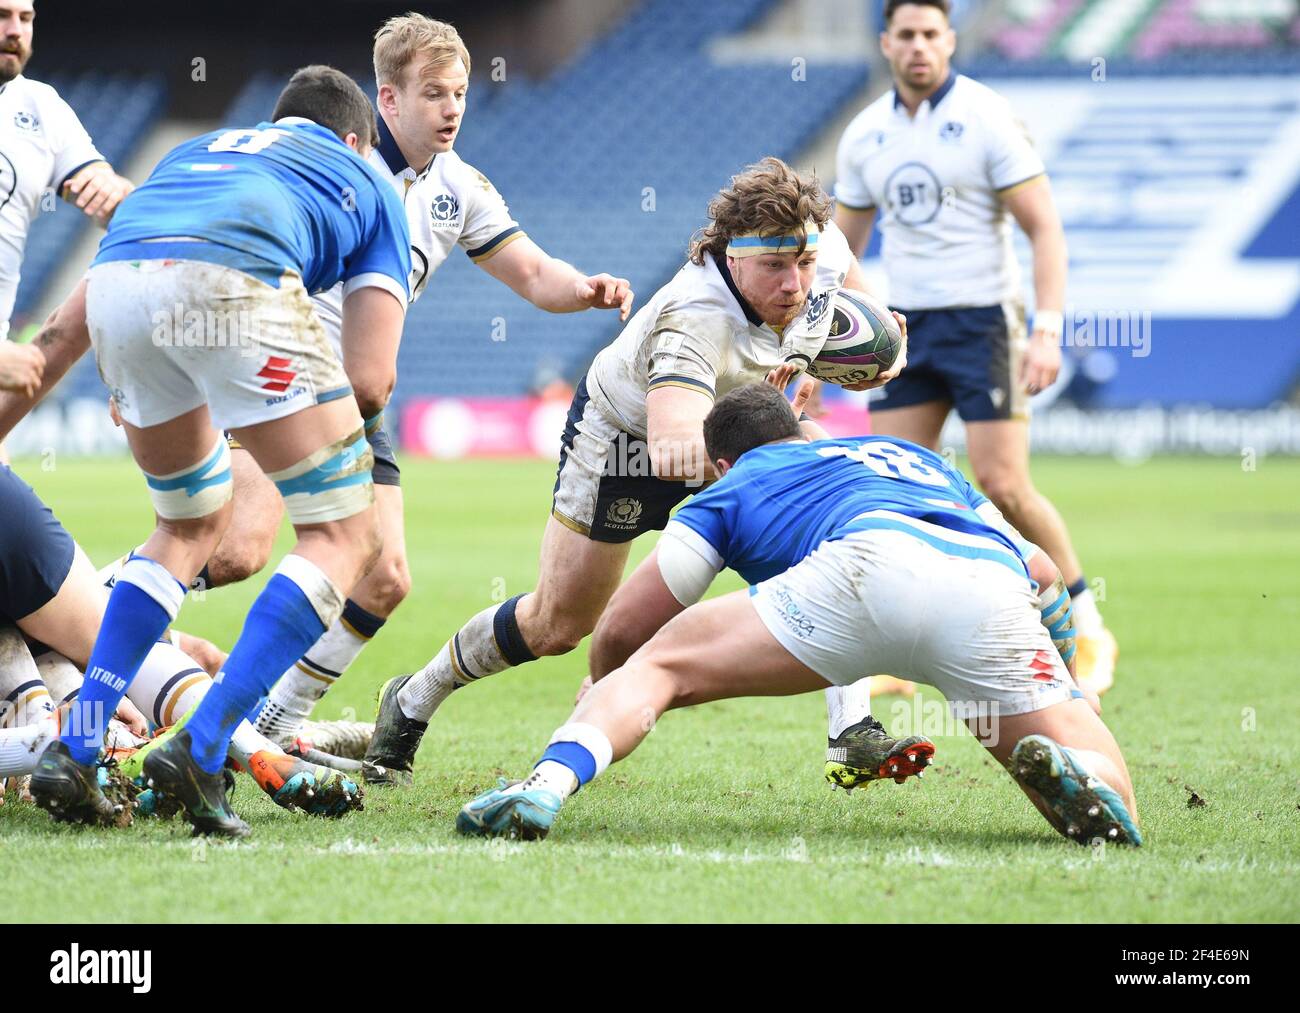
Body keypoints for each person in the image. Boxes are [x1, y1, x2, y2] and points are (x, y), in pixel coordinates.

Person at [363, 157, 908, 786]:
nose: (796, 285)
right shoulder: (694, 316)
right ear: (734, 258)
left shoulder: (817, 245)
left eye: (804, 265)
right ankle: (411, 700)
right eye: (775, 269)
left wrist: (875, 356)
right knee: (557, 624)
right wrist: (770, 452)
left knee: (831, 519)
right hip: (624, 438)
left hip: (740, 425)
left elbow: (879, 336)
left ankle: (852, 728)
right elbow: (674, 447)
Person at [455, 383, 1140, 848]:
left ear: (720, 463)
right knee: (1113, 791)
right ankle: (1080, 764)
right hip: (988, 589)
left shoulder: (735, 486)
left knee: (659, 664)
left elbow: (626, 629)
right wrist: (1068, 688)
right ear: (797, 430)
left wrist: (605, 686)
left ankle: (545, 785)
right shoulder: (915, 457)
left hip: (862, 571)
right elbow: (1043, 572)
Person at [27, 64, 411, 837]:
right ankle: (202, 749)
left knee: (186, 523)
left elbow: (95, 296)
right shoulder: (368, 179)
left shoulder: (203, 148)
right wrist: (280, 415)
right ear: (354, 138)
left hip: (118, 281)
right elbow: (371, 381)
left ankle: (76, 743)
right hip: (233, 279)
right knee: (345, 531)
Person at [832, 0, 1118, 694]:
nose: (920, 47)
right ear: (887, 44)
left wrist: (1045, 330)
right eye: (907, 35)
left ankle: (1087, 627)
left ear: (950, 40)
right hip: (904, 328)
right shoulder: (865, 135)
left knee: (1004, 484)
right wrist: (825, 342)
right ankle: (904, 654)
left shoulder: (988, 116)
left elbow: (1045, 229)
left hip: (985, 322)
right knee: (897, 492)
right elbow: (839, 248)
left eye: (932, 34)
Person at [0, 0, 133, 459]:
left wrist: (112, 192)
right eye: (2, 15)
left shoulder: (41, 108)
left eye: (26, 18)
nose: (15, 30)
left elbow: (114, 200)